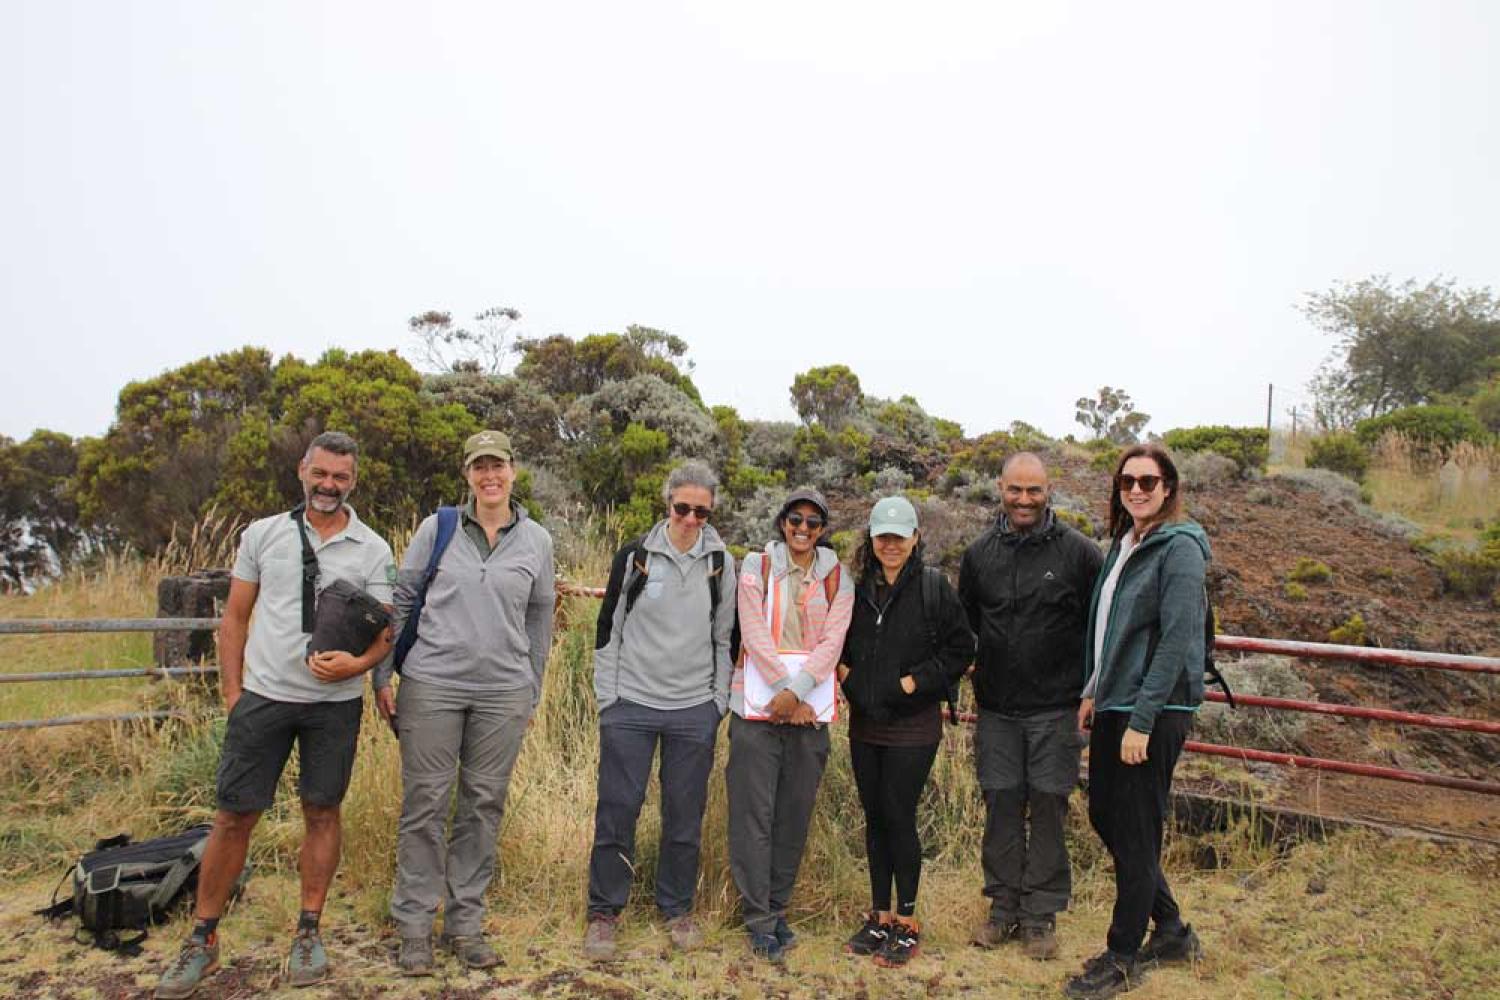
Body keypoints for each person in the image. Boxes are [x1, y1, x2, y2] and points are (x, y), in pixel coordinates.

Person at [154, 432, 396, 999]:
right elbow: (235, 617)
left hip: (333, 707)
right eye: (321, 474)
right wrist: (234, 694)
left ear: (353, 482)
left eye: (341, 477)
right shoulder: (262, 534)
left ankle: (308, 930)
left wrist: (358, 666)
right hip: (263, 699)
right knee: (234, 816)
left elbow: (387, 629)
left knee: (322, 812)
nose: (329, 485)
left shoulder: (374, 549)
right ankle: (202, 939)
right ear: (302, 471)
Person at [375, 430, 556, 976]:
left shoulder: (537, 542)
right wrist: (383, 674)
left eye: (497, 464)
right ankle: (413, 929)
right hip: (432, 683)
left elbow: (540, 617)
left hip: (503, 691)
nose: (489, 475)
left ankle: (464, 925)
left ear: (513, 471)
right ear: (468, 475)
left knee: (482, 805)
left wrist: (532, 686)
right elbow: (403, 599)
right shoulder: (438, 529)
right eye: (479, 466)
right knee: (425, 805)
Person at [1065, 443, 1210, 1000]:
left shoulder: (1180, 550)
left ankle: (1123, 953)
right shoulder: (1124, 546)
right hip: (1115, 703)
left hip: (1152, 711)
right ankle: (1170, 928)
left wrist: (1143, 721)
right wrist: (1092, 689)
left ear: (1169, 487)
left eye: (1149, 481)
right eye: (1128, 482)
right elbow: (1109, 629)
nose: (1138, 490)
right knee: (1108, 814)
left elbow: (1178, 640)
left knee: (1139, 825)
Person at [583, 460, 736, 960]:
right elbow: (609, 629)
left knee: (684, 816)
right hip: (631, 706)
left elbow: (724, 639)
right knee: (618, 810)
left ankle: (677, 908)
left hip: (694, 710)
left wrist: (717, 704)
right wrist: (610, 699)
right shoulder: (635, 556)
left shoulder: (722, 564)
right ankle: (604, 913)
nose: (692, 519)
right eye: (683, 508)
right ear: (667, 503)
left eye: (702, 512)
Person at [959, 453, 1103, 959]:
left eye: (1034, 491)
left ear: (1049, 491)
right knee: (1000, 806)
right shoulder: (979, 555)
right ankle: (1002, 911)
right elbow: (968, 626)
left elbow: (1101, 628)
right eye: (1015, 490)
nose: (1024, 500)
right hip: (997, 711)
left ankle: (1040, 917)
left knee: (1047, 807)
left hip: (1056, 711)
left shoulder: (1081, 555)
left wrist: (1090, 691)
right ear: (1000, 488)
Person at [838, 495, 975, 968]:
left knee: (899, 815)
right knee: (874, 818)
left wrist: (913, 682)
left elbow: (962, 649)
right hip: (865, 724)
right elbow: (836, 640)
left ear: (916, 538)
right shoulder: (857, 591)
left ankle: (907, 921)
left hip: (913, 726)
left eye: (900, 535)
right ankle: (878, 915)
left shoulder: (934, 589)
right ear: (871, 539)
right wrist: (846, 677)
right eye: (883, 536)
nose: (891, 544)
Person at [726, 488, 854, 963]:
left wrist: (796, 696)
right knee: (752, 816)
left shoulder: (839, 576)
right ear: (782, 522)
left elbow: (833, 640)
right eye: (795, 519)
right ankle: (757, 917)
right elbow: (754, 630)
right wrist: (783, 692)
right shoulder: (756, 566)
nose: (803, 528)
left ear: (823, 529)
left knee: (792, 817)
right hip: (757, 712)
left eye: (813, 522)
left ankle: (777, 908)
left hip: (807, 714)